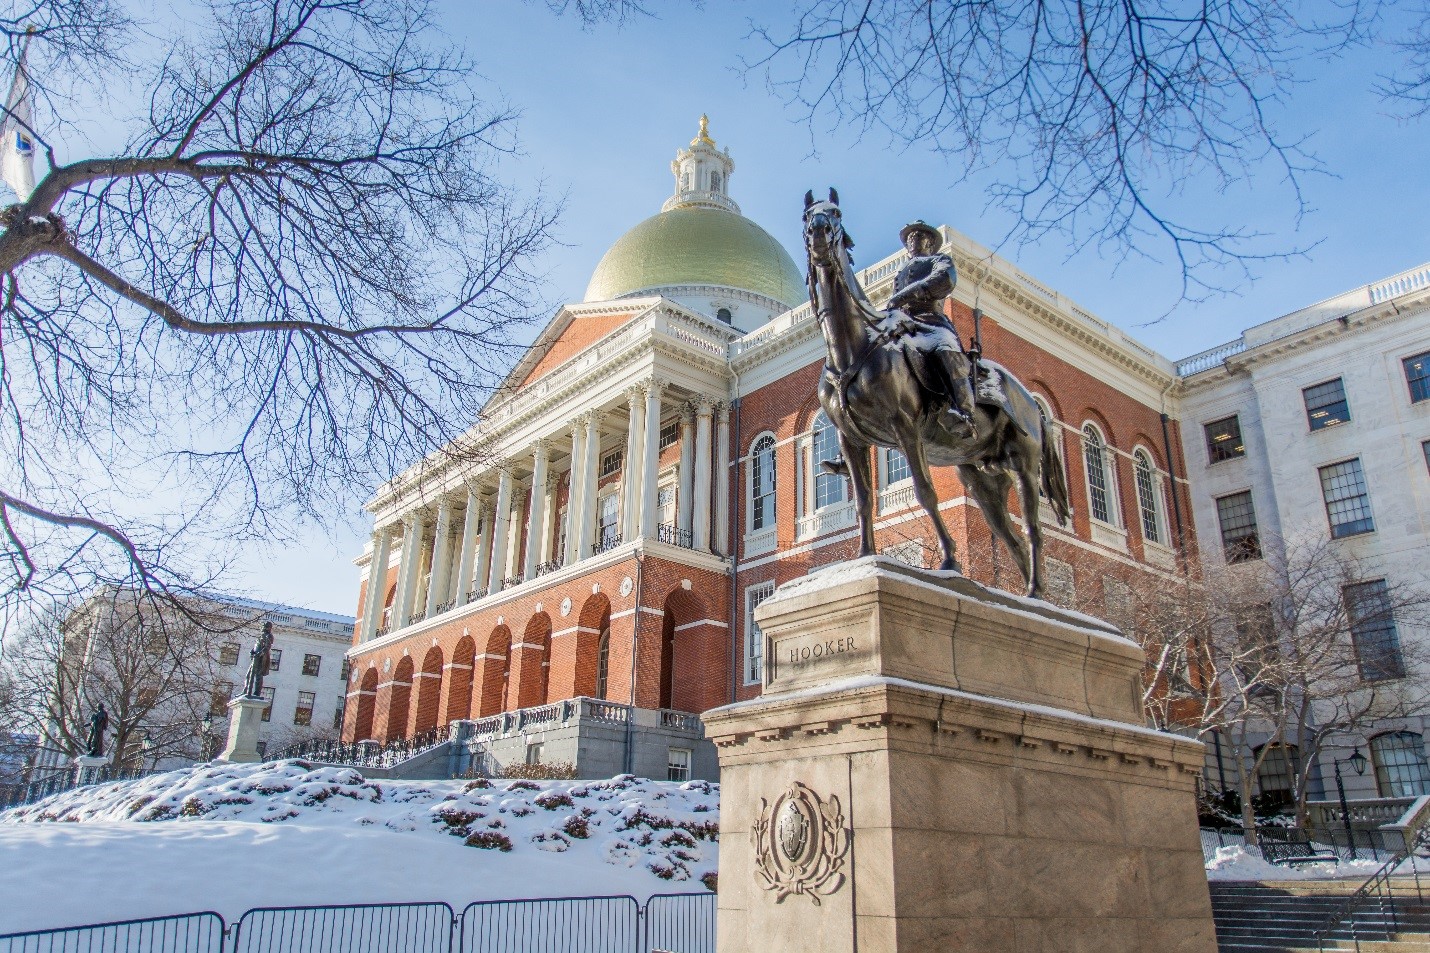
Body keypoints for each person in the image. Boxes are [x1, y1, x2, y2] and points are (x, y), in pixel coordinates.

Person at [882, 220, 978, 438]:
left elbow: (944, 279)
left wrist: (906, 295)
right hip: (904, 325)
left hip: (931, 321)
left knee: (946, 350)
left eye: (918, 236)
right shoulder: (901, 272)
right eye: (909, 238)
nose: (912, 241)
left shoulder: (940, 260)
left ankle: (965, 413)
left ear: (930, 243)